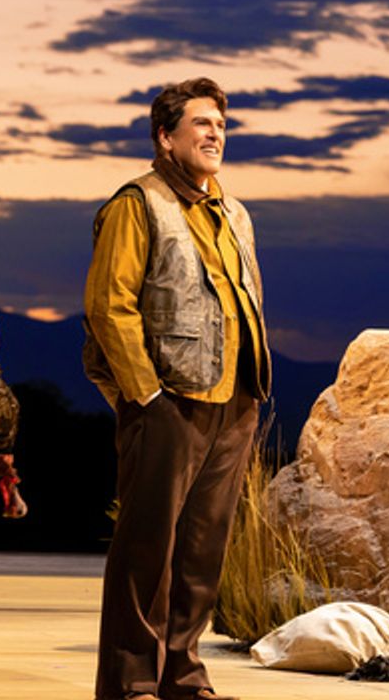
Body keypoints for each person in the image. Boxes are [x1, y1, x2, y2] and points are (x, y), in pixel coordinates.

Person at [84, 77, 271, 700]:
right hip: (168, 402)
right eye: (201, 124)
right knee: (147, 549)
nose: (215, 133)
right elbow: (110, 306)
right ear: (166, 137)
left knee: (202, 551)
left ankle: (184, 676)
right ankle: (133, 680)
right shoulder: (137, 205)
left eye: (221, 124)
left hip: (233, 402)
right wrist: (147, 397)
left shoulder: (234, 212)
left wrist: (250, 394)